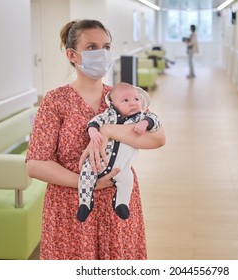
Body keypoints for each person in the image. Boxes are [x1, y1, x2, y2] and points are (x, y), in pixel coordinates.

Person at [25, 19, 165, 260]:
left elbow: (158, 137)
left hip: (117, 205)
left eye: (106, 47)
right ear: (72, 55)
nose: (102, 53)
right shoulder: (55, 101)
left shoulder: (122, 97)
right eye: (91, 47)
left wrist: (109, 131)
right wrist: (88, 183)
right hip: (71, 208)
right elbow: (35, 164)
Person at [77, 82, 161, 222]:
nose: (133, 103)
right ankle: (85, 203)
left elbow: (156, 120)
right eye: (126, 100)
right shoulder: (108, 115)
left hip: (121, 167)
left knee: (127, 180)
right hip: (97, 164)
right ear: (113, 104)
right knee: (85, 175)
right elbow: (94, 121)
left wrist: (145, 123)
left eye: (136, 99)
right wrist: (92, 130)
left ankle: (121, 203)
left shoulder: (140, 117)